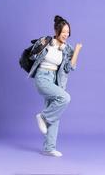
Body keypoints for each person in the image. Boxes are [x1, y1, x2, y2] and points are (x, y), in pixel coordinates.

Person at [28, 15, 82, 157]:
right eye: (63, 31)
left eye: (68, 32)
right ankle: (43, 117)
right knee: (65, 98)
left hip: (54, 80)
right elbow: (31, 56)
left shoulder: (66, 48)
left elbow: (70, 67)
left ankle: (48, 148)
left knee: (55, 114)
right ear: (56, 31)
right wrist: (39, 46)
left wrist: (76, 50)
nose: (66, 34)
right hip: (42, 77)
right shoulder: (47, 42)